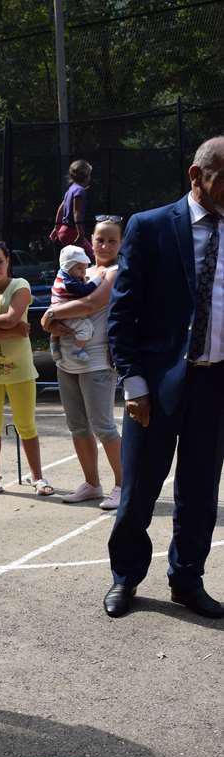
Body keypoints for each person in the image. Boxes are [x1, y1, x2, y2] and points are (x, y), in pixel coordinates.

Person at [102, 136, 224, 619]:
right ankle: (125, 578)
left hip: (215, 386)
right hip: (154, 387)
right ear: (197, 176)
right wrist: (133, 383)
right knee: (138, 493)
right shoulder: (151, 226)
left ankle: (187, 581)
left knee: (200, 494)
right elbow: (122, 312)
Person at [41, 217, 123, 510]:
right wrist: (50, 320)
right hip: (66, 360)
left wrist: (52, 314)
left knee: (104, 427)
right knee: (77, 426)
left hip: (98, 362)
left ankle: (123, 486)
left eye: (112, 241)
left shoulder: (115, 272)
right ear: (91, 241)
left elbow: (91, 304)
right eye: (100, 240)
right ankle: (92, 484)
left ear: (121, 244)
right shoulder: (80, 271)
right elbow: (57, 300)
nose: (105, 245)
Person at [0, 239, 55, 497]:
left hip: (20, 371)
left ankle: (37, 477)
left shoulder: (20, 285)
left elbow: (12, 317)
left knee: (26, 425)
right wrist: (13, 332)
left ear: (8, 261)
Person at [49, 245, 104, 364]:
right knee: (86, 328)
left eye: (85, 268)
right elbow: (84, 291)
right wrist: (98, 279)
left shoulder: (64, 274)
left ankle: (54, 344)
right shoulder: (69, 282)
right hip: (66, 313)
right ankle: (76, 351)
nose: (83, 272)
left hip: (58, 311)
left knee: (58, 328)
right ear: (68, 267)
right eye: (79, 268)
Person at [50, 159, 94, 261]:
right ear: (86, 176)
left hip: (63, 231)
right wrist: (80, 233)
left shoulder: (71, 189)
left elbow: (61, 209)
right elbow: (76, 212)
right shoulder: (79, 191)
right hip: (72, 232)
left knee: (74, 261)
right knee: (92, 256)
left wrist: (56, 228)